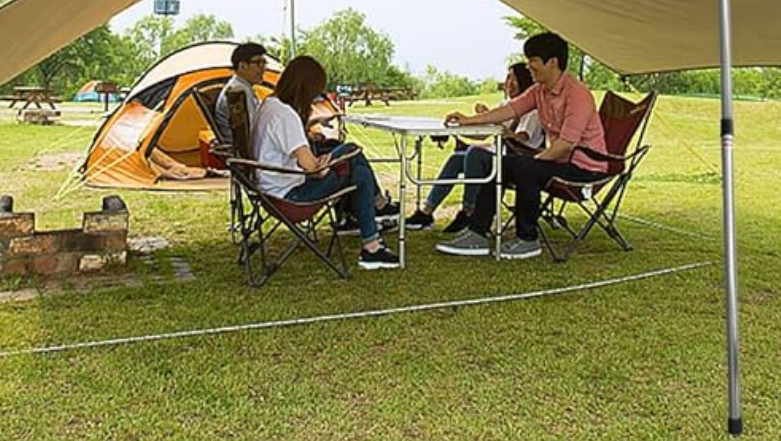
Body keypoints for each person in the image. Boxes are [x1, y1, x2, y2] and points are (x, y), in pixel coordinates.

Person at [437, 32, 607, 260]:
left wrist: (532, 161)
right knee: (498, 164)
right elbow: (509, 110)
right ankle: (476, 234)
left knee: (525, 167)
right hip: (559, 162)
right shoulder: (539, 91)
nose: (528, 67)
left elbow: (566, 145)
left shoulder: (578, 94)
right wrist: (468, 120)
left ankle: (528, 240)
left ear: (553, 62)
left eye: (533, 61)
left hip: (585, 169)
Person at [251, 54, 401, 270]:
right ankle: (378, 213)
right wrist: (322, 166)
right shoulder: (286, 115)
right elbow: (312, 169)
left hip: (270, 191)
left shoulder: (270, 104)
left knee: (357, 171)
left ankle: (372, 243)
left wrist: (317, 156)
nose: (315, 99)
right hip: (292, 198)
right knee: (352, 151)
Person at [404, 63, 543, 233]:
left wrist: (495, 123)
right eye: (507, 77)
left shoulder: (532, 111)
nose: (509, 82)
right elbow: (482, 134)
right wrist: (455, 130)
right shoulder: (506, 105)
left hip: (518, 161)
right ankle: (427, 212)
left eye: (514, 78)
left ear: (525, 81)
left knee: (475, 153)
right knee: (457, 158)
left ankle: (469, 211)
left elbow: (521, 139)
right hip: (498, 156)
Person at [214, 42, 268, 144]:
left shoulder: (241, 87)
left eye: (264, 63)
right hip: (242, 152)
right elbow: (252, 130)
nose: (263, 68)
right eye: (258, 63)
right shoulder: (238, 91)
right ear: (242, 66)